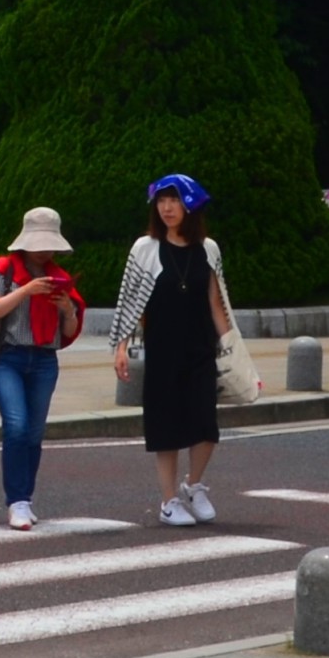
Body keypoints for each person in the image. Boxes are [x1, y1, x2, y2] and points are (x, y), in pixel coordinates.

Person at [110, 174, 236, 526]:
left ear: (190, 205)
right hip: (162, 349)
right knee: (165, 427)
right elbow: (130, 300)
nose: (167, 208)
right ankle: (168, 502)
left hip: (201, 348)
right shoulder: (145, 248)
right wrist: (121, 347)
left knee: (206, 425)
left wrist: (234, 350)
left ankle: (194, 484)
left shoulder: (208, 249)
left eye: (175, 200)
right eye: (162, 201)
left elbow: (217, 303)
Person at [0, 208, 85, 530]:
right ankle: (17, 501)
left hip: (44, 360)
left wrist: (67, 309)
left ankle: (25, 498)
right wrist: (25, 290)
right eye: (39, 243)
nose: (44, 251)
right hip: (6, 357)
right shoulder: (2, 270)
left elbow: (68, 332)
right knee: (17, 425)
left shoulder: (58, 277)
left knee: (34, 432)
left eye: (49, 245)